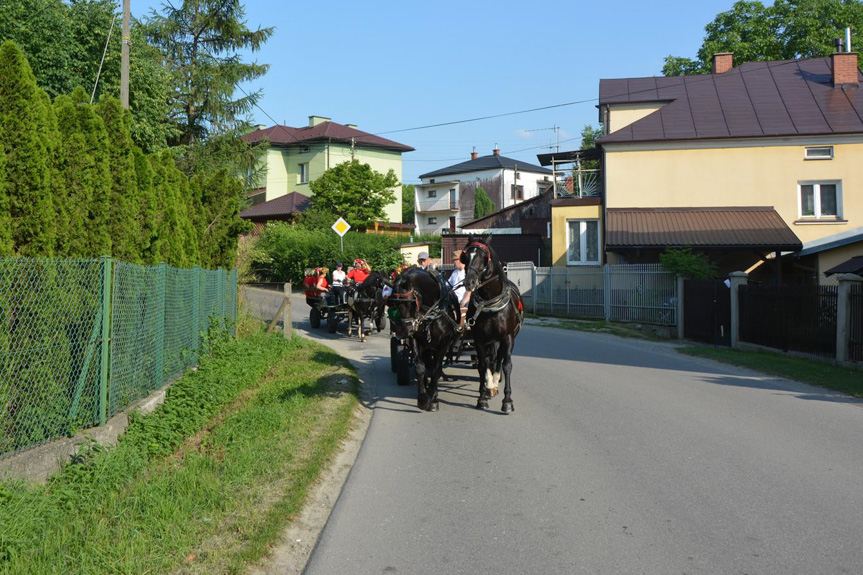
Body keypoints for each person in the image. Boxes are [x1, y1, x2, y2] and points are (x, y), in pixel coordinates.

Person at [448, 250, 471, 327]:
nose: (453, 263)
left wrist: (464, 301)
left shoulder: (468, 273)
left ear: (458, 261)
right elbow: (448, 285)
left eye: (454, 261)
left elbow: (470, 290)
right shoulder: (455, 272)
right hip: (453, 303)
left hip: (464, 305)